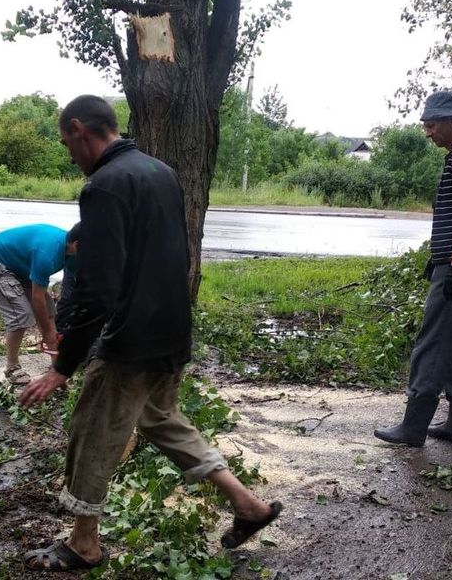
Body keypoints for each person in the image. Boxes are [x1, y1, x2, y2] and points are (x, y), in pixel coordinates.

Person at [18, 95, 281, 572]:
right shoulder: (161, 172)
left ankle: (83, 544)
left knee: (92, 431)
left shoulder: (105, 185)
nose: (70, 155)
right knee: (162, 421)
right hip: (172, 329)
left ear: (79, 129)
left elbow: (99, 287)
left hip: (132, 340)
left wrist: (62, 367)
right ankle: (249, 506)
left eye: (66, 143)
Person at [374, 90, 452, 448]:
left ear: (449, 120)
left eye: (430, 125)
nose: (427, 133)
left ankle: (413, 427)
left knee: (435, 343)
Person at [0, 223, 79, 384]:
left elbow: (80, 286)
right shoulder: (47, 254)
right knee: (21, 314)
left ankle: (55, 365)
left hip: (20, 267)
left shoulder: (74, 254)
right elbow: (37, 299)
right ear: (77, 244)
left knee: (50, 309)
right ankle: (12, 367)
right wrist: (47, 334)